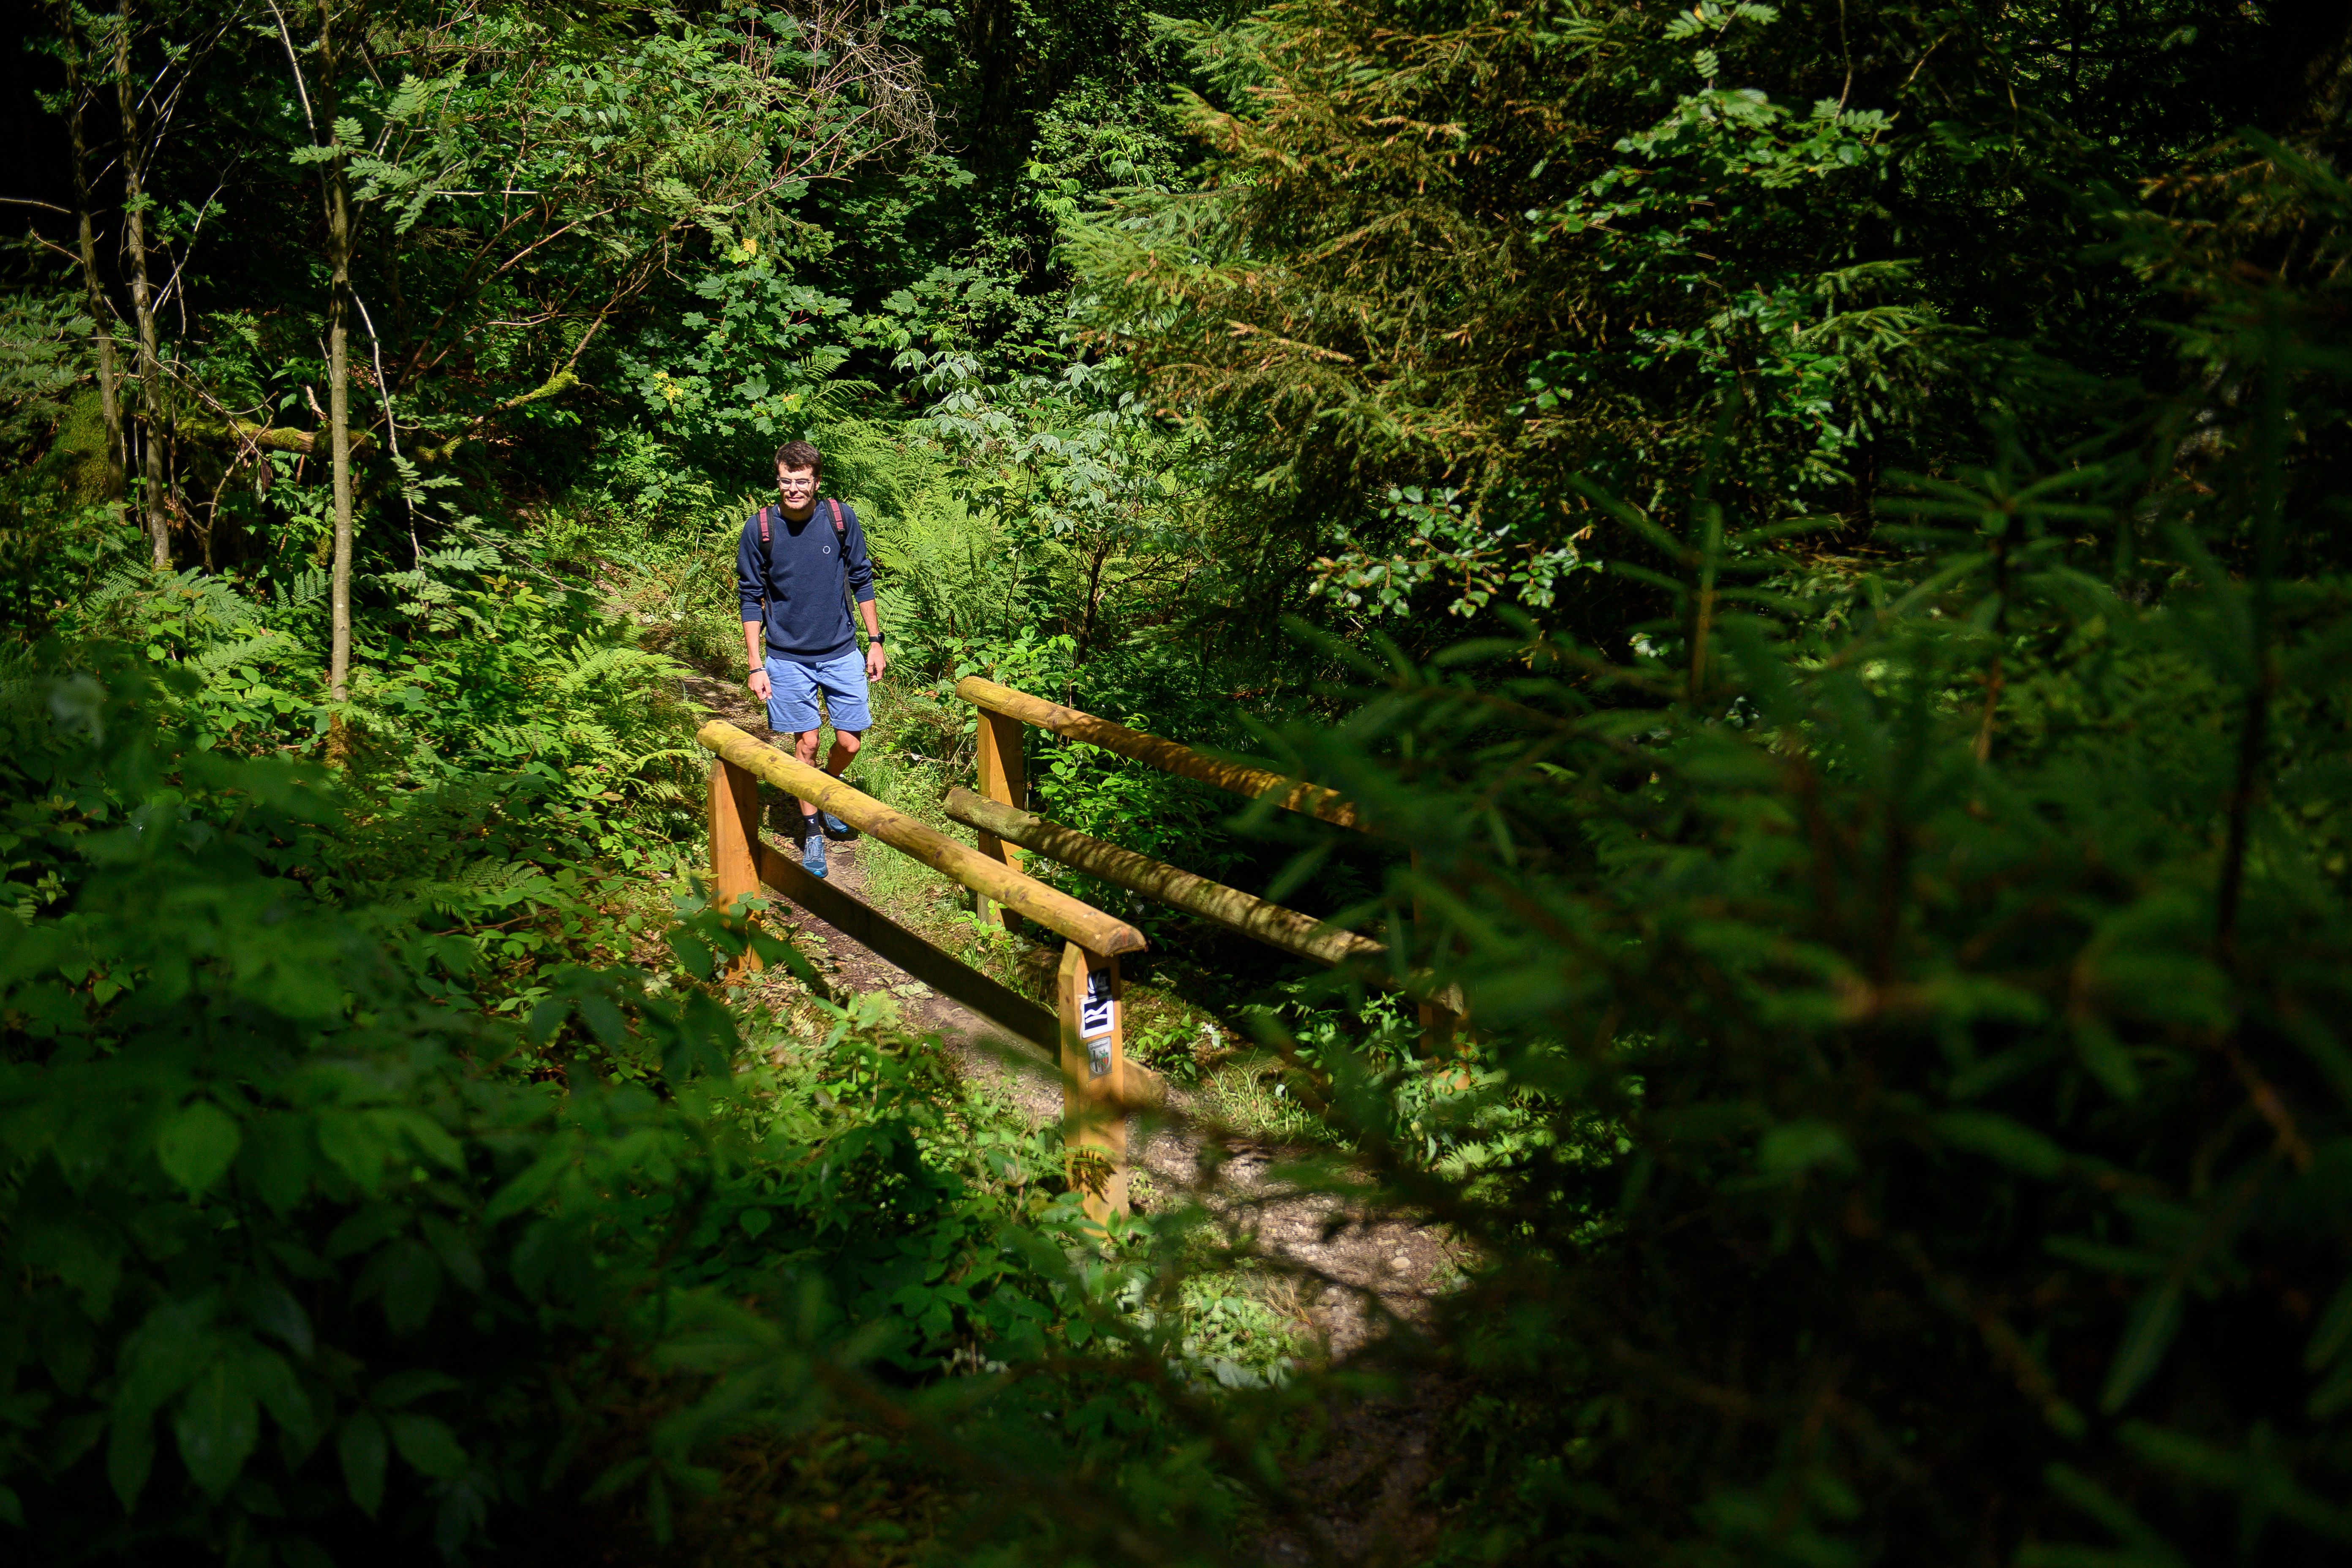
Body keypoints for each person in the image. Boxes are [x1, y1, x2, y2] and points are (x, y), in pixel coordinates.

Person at [738, 438, 886, 879]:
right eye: (786, 481)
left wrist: (876, 641)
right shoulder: (760, 528)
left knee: (849, 742)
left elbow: (862, 577)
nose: (794, 489)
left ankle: (827, 787)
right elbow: (750, 598)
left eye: (802, 481)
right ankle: (812, 830)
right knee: (807, 744)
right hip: (786, 658)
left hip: (841, 651)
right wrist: (755, 664)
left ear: (816, 481)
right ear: (778, 480)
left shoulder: (840, 520)